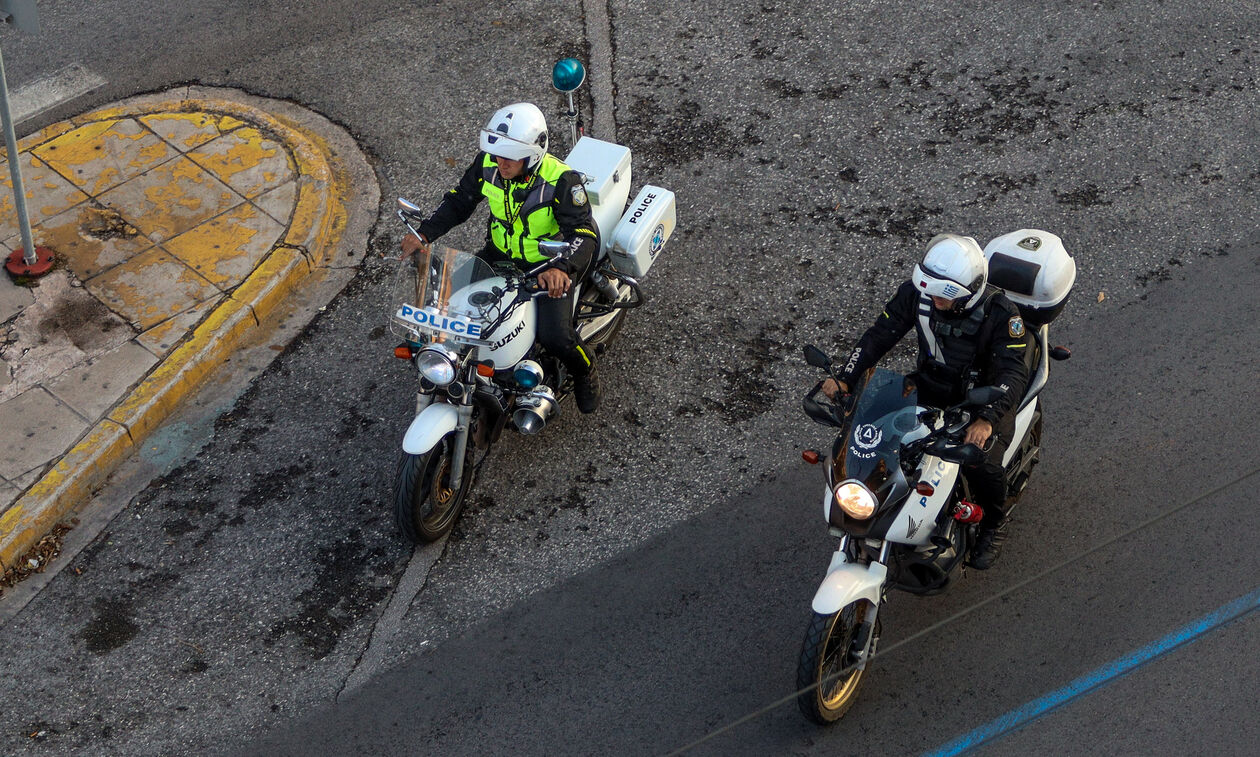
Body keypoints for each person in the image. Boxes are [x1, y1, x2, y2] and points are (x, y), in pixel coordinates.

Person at [822, 234, 1029, 569]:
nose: (934, 300)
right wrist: (847, 375)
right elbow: (879, 336)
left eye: (943, 295)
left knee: (983, 464)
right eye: (930, 290)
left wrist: (987, 419)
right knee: (878, 435)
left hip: (982, 401)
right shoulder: (918, 295)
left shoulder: (1002, 316)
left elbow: (1013, 374)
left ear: (968, 291)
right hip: (929, 386)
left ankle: (994, 523)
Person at [400, 102, 602, 413]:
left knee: (556, 336)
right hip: (499, 256)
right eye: (496, 154)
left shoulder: (562, 181)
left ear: (532, 154)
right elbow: (460, 201)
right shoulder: (489, 164)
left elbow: (584, 234)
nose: (500, 162)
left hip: (547, 264)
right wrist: (423, 234)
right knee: (446, 307)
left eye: (509, 157)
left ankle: (584, 370)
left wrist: (562, 267)